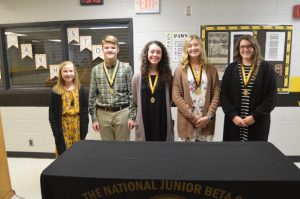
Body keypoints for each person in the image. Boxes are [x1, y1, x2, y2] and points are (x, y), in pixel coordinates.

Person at [221, 35, 277, 141]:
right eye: (242, 46)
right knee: (233, 153)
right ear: (238, 49)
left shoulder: (266, 68)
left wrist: (254, 117)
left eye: (249, 46)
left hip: (257, 123)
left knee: (255, 154)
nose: (245, 49)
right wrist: (233, 116)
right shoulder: (231, 68)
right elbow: (224, 95)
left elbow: (271, 97)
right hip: (234, 123)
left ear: (255, 48)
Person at [172, 35, 220, 142]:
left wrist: (208, 117)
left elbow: (216, 94)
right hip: (187, 120)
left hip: (206, 121)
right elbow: (176, 96)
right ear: (186, 49)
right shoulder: (180, 70)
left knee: (204, 156)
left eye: (196, 45)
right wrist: (193, 117)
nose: (193, 48)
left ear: (201, 47)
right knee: (187, 155)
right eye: (190, 46)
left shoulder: (211, 69)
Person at [88, 35, 135, 141]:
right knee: (107, 148)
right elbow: (92, 96)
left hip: (122, 112)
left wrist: (132, 117)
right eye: (107, 47)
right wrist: (94, 118)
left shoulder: (127, 68)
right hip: (103, 114)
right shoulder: (96, 70)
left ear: (118, 49)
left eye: (113, 48)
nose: (110, 50)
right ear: (102, 49)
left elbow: (132, 94)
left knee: (122, 147)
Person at [132, 41, 174, 141]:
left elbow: (171, 99)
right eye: (152, 52)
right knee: (145, 152)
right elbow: (134, 99)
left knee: (164, 150)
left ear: (162, 55)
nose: (155, 55)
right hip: (145, 120)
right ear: (147, 54)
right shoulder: (137, 77)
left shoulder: (168, 77)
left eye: (158, 52)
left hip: (162, 119)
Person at [49, 61, 89, 156]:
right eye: (65, 71)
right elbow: (52, 113)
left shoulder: (80, 89)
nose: (68, 74)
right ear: (61, 73)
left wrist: (85, 128)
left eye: (71, 71)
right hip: (63, 126)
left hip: (77, 124)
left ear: (75, 73)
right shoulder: (56, 91)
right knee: (64, 152)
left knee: (78, 151)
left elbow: (84, 109)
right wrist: (56, 131)